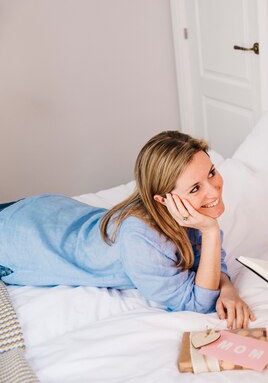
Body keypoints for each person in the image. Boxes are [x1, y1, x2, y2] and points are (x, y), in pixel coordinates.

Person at [0, 131, 255, 329]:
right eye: (195, 188)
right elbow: (198, 303)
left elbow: (209, 264)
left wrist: (229, 288)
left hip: (49, 211)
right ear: (162, 199)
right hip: (19, 242)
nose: (214, 189)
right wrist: (210, 232)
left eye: (211, 172)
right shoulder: (141, 238)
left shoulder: (193, 215)